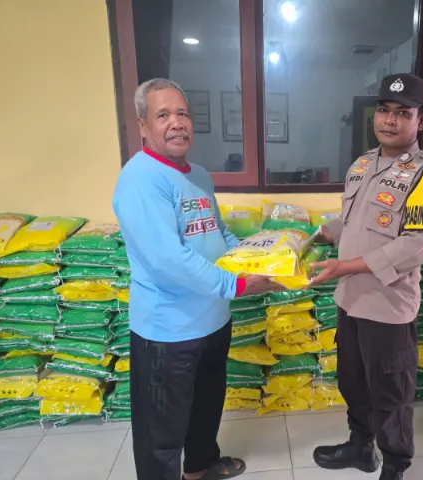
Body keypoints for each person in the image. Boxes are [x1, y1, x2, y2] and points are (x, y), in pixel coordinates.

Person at [112, 78, 276, 480]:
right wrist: (236, 285)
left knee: (206, 408)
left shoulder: (198, 175)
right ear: (143, 125)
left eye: (182, 113)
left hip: (213, 321)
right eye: (163, 115)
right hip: (167, 332)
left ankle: (200, 469)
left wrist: (261, 258)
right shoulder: (140, 180)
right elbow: (165, 258)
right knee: (161, 433)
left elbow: (219, 234)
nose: (176, 122)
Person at [309, 73, 423, 480]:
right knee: (352, 382)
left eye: (403, 113)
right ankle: (361, 447)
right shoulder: (362, 165)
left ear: (420, 120)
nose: (390, 120)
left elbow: (415, 246)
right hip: (350, 299)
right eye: (384, 110)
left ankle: (394, 464)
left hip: (388, 307)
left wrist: (345, 266)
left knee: (391, 394)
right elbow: (354, 223)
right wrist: (318, 235)